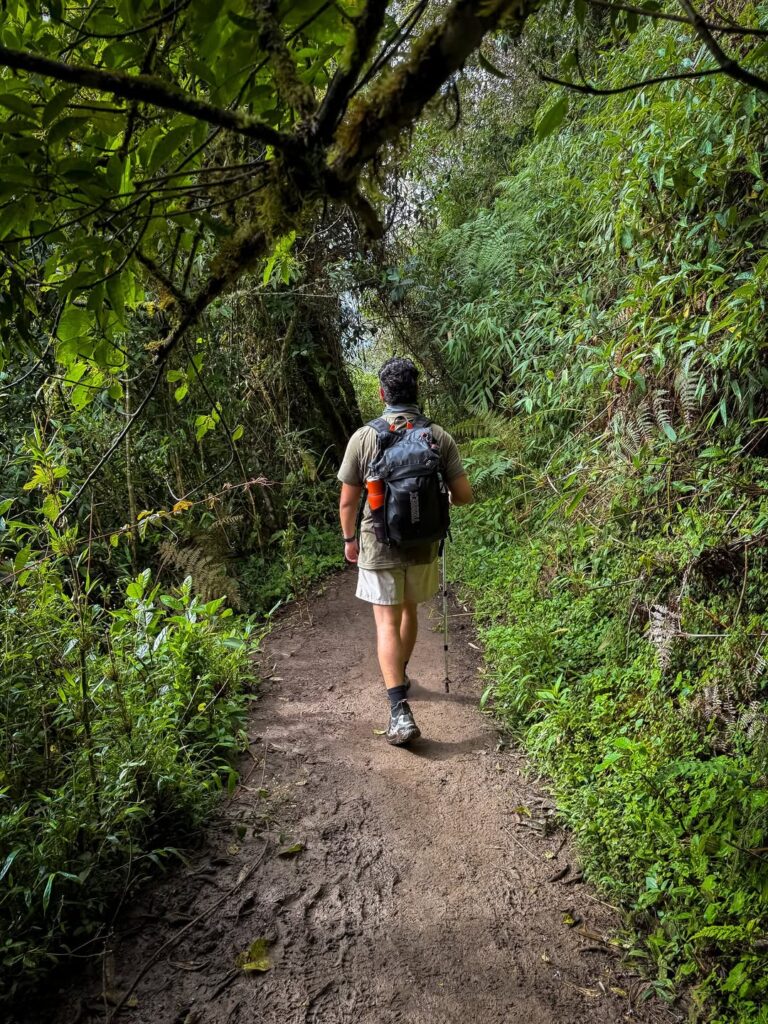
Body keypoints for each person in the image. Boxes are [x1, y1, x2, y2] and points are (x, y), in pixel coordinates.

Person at [337, 357, 474, 746]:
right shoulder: (438, 436)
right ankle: (401, 672)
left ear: (383, 393)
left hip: (378, 541)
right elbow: (463, 496)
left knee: (385, 623)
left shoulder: (365, 437)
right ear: (417, 392)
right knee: (409, 610)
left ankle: (399, 711)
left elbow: (348, 502)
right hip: (424, 545)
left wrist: (350, 540)